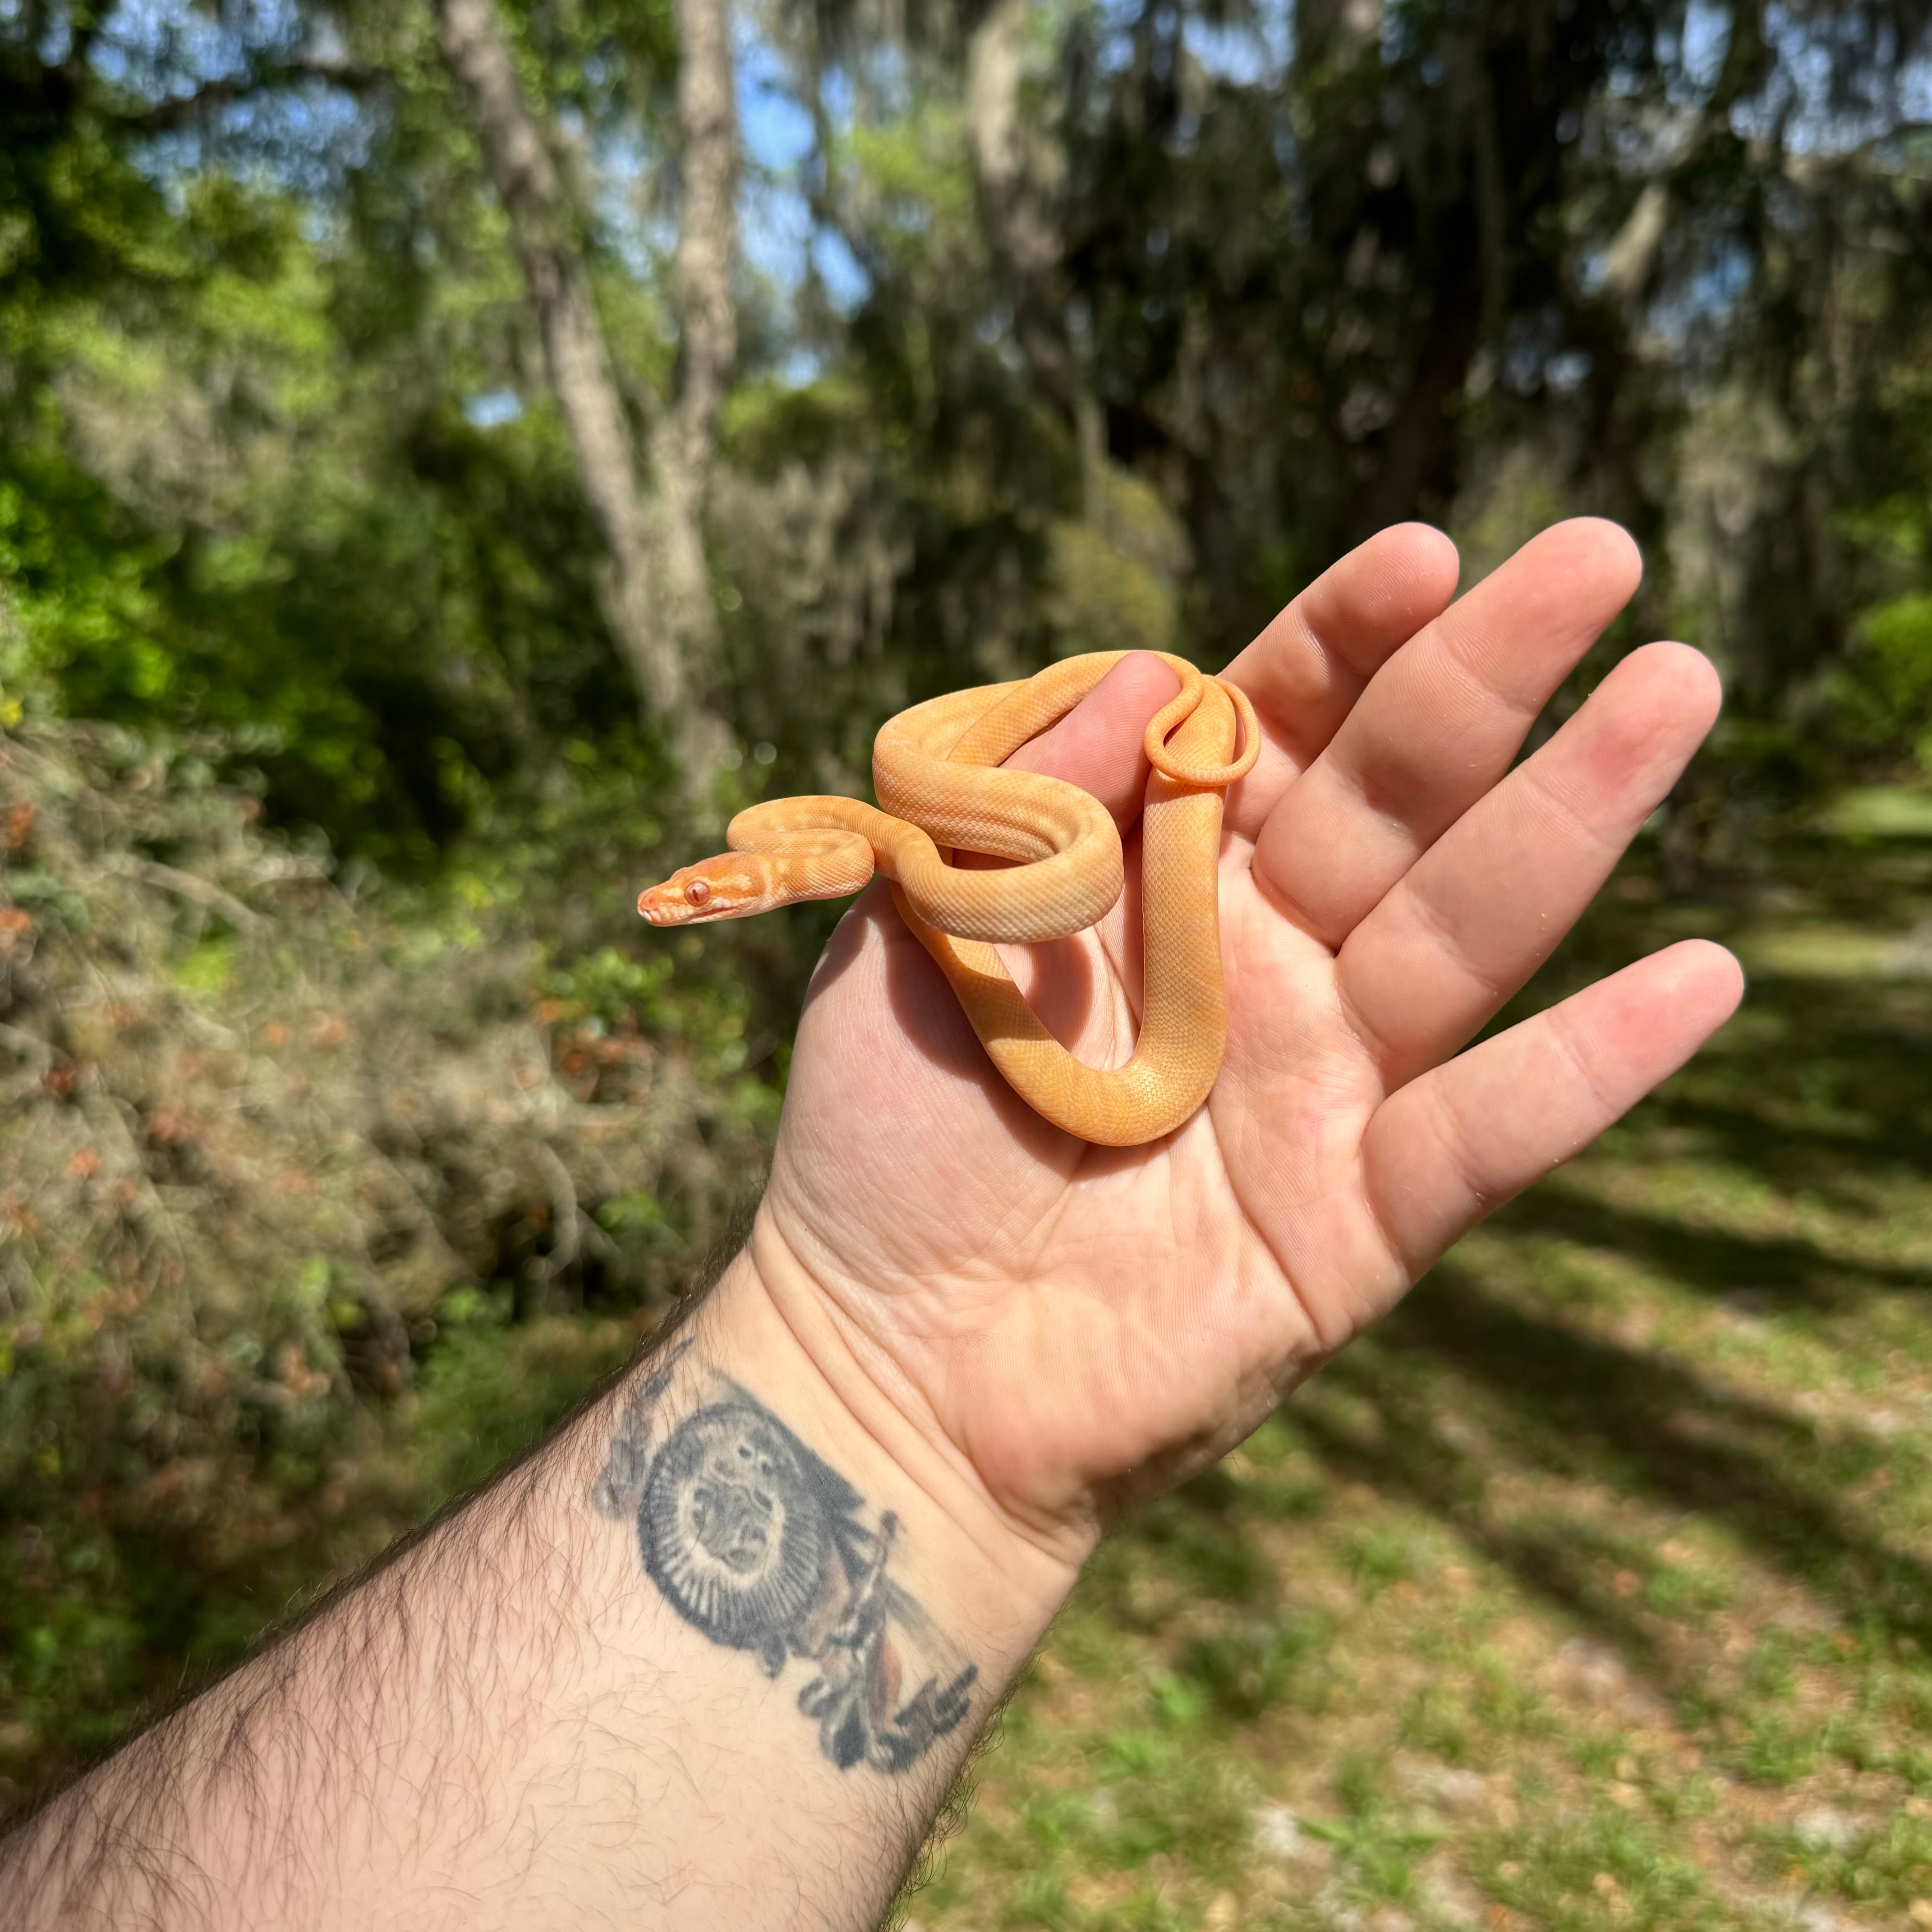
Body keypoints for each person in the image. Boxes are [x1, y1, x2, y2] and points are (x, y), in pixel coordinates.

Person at [0, 520, 1741, 1930]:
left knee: (982, 793)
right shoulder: (913, 842)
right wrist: (866, 1380)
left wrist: (1119, 816)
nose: (694, 907)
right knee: (964, 804)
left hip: (987, 865)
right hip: (957, 918)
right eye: (711, 894)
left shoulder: (946, 833)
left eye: (712, 892)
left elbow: (951, 850)